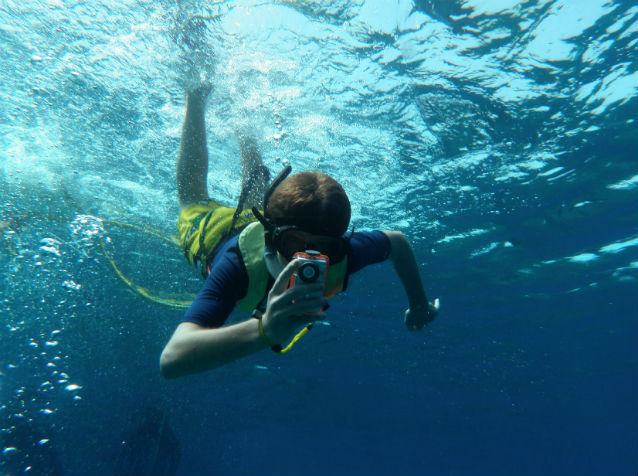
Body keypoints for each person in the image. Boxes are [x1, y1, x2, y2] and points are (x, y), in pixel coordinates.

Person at [159, 86, 440, 378]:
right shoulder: (237, 266)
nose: (309, 256)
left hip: (264, 222)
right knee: (191, 197)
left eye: (327, 249)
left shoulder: (343, 256)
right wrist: (264, 331)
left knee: (256, 192)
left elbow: (396, 241)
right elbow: (171, 358)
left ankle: (243, 119)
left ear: (340, 245)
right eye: (295, 243)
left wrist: (419, 305)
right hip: (213, 233)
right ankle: (195, 94)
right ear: (271, 236)